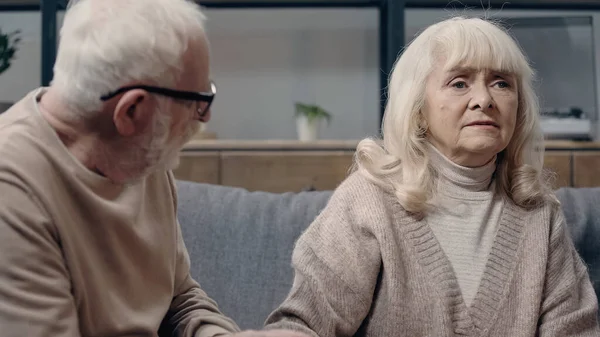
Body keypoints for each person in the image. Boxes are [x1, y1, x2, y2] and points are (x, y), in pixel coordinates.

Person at [264, 16, 600, 336]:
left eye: (501, 83)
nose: (484, 99)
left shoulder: (542, 217)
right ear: (418, 109)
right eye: (459, 83)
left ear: (519, 106)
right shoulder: (369, 200)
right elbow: (303, 324)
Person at [0, 1, 309, 337]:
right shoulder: (13, 191)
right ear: (132, 111)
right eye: (195, 99)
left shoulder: (139, 155)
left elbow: (180, 300)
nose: (204, 116)